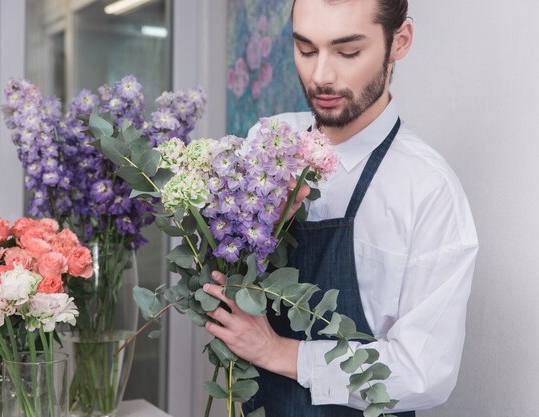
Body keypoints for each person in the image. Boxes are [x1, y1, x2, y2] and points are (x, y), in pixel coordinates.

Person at [203, 0, 479, 415]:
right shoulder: (268, 140)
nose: (320, 76)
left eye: (348, 52)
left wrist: (282, 353)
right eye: (306, 50)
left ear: (399, 41)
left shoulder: (427, 190)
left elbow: (426, 371)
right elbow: (222, 289)